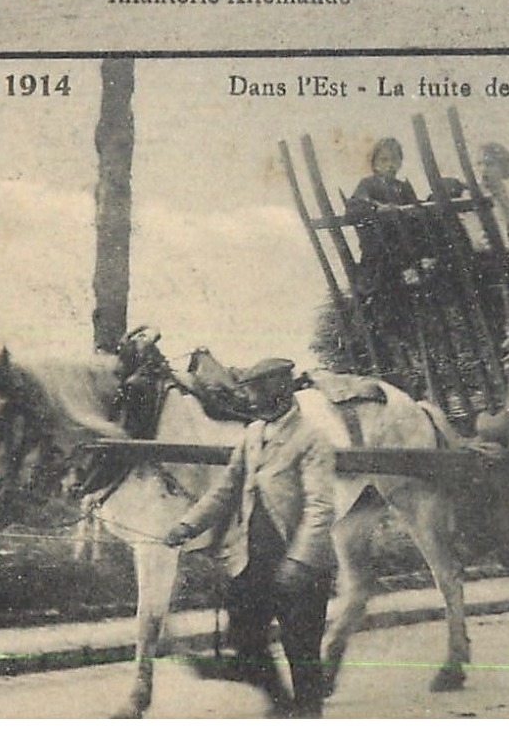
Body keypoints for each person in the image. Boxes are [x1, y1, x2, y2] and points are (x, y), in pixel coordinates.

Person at [164, 360, 336, 718]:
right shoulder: (252, 435)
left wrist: (299, 562)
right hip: (253, 559)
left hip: (299, 565)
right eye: (248, 392)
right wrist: (187, 526)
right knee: (244, 637)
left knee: (302, 651)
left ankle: (306, 714)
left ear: (280, 391)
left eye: (256, 392)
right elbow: (224, 491)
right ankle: (280, 703)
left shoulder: (312, 439)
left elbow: (320, 509)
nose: (250, 399)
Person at [346, 137, 423, 289]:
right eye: (384, 160)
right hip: (379, 251)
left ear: (401, 162)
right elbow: (354, 207)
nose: (390, 165)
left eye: (395, 159)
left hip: (404, 248)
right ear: (374, 164)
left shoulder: (403, 187)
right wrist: (377, 208)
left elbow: (416, 209)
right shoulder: (368, 184)